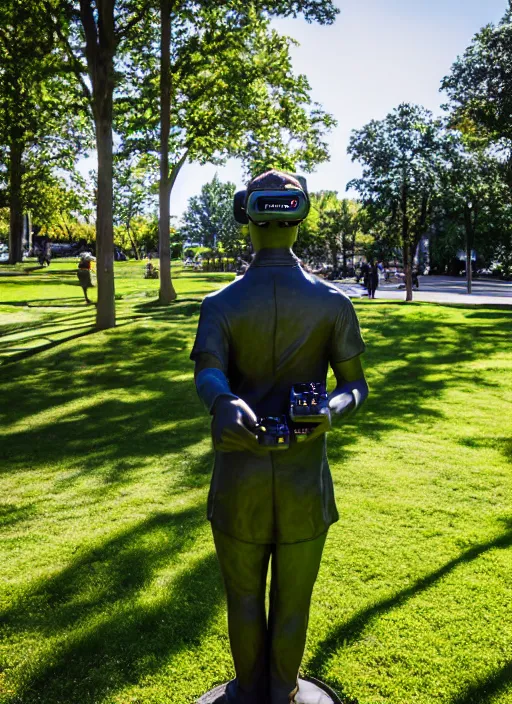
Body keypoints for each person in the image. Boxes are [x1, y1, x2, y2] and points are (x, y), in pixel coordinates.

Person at [191, 170, 368, 704]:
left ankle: (248, 694)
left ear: (246, 214)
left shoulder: (220, 304)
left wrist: (223, 402)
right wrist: (330, 411)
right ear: (301, 215)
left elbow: (207, 371)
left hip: (238, 481)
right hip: (303, 484)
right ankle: (284, 693)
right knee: (293, 602)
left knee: (242, 598)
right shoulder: (332, 302)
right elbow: (355, 384)